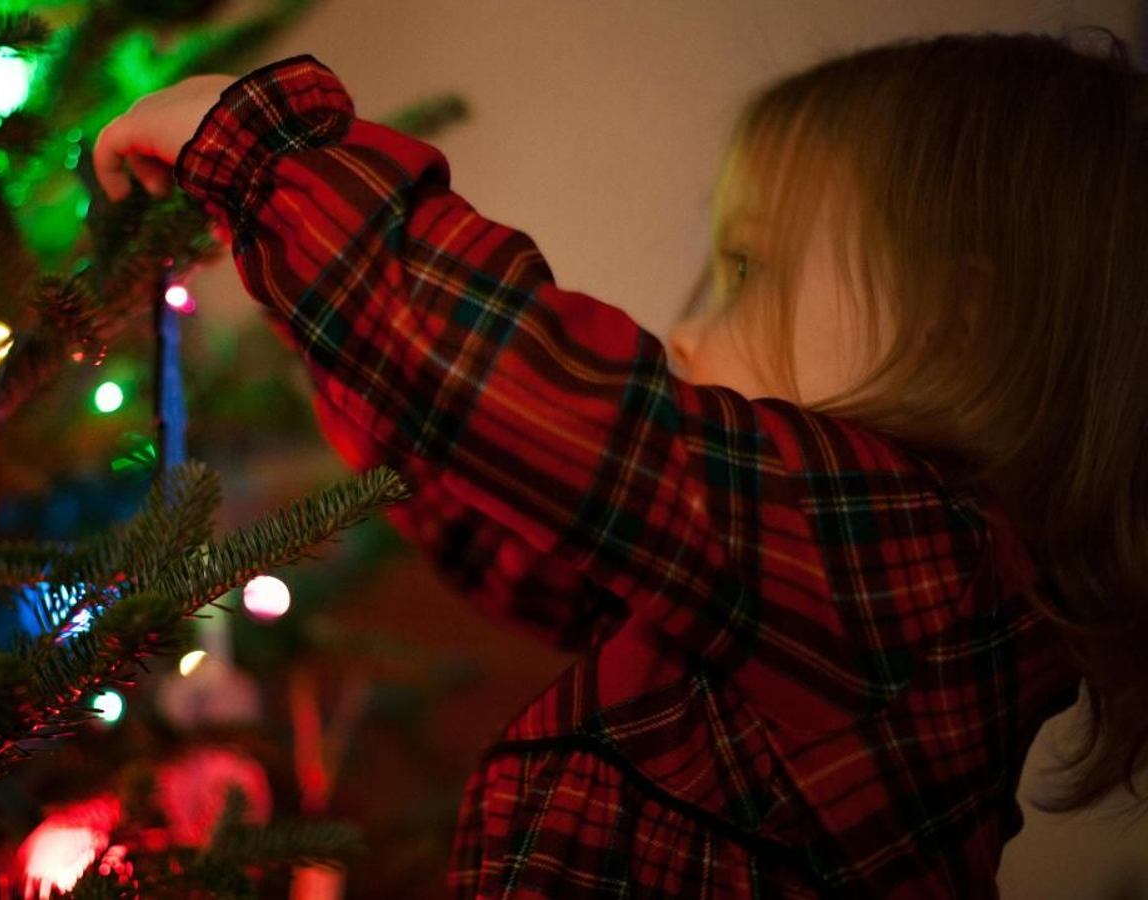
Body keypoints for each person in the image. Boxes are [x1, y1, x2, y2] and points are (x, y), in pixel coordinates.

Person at [92, 27, 1148, 898]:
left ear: (956, 325)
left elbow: (534, 400)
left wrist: (259, 154)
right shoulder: (790, 605)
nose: (686, 335)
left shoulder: (908, 572)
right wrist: (319, 305)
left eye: (746, 272)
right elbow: (511, 520)